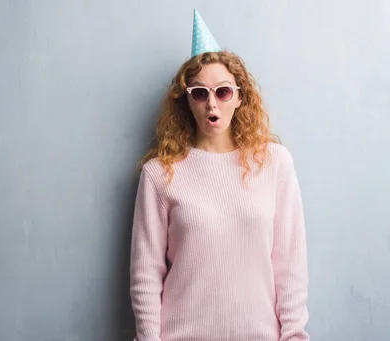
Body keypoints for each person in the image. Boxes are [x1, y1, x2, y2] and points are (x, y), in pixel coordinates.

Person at [129, 9, 310, 341]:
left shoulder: (274, 164)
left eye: (223, 91)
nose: (212, 103)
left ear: (239, 97)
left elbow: (291, 268)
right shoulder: (159, 175)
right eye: (200, 93)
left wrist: (294, 336)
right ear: (187, 102)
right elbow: (145, 275)